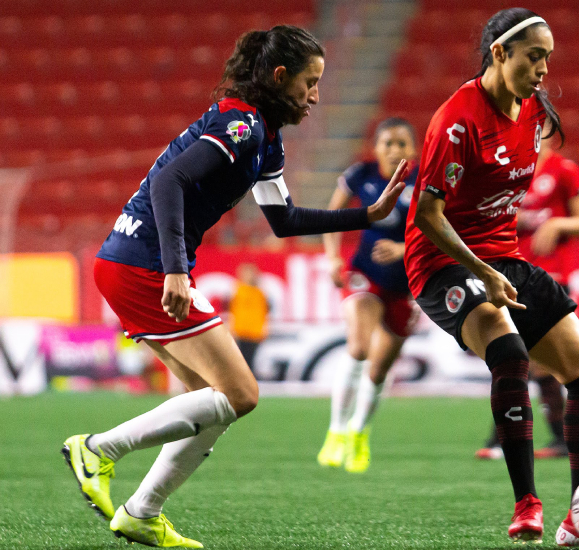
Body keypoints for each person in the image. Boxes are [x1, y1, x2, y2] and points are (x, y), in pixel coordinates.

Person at [62, 25, 408, 548]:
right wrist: (177, 268)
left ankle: (142, 511)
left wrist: (368, 214)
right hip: (146, 264)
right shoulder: (241, 123)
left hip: (130, 260)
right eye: (309, 83)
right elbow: (167, 181)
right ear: (278, 76)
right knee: (242, 394)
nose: (315, 95)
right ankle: (99, 449)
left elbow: (284, 219)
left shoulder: (266, 137)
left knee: (209, 401)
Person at [404, 8, 579, 547]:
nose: (542, 68)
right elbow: (425, 215)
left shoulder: (533, 111)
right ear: (498, 53)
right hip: (443, 267)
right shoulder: (456, 120)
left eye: (547, 58)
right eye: (533, 56)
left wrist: (498, 267)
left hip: (502, 261)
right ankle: (527, 502)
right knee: (510, 353)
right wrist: (483, 272)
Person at [476, 133, 579, 460]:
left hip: (550, 278)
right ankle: (556, 437)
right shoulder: (510, 173)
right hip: (512, 276)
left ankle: (510, 437)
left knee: (533, 362)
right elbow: (487, 219)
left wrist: (555, 225)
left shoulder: (564, 170)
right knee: (518, 358)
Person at [317, 117, 419, 473]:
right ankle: (336, 432)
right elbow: (331, 216)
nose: (394, 150)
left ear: (413, 150)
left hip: (407, 285)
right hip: (365, 276)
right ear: (375, 148)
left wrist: (404, 249)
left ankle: (359, 431)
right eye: (387, 143)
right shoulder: (362, 174)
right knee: (359, 348)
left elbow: (444, 231)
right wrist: (332, 258)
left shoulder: (424, 181)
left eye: (402, 144)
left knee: (379, 370)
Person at [227, 262, 269, 370]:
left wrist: (264, 328)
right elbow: (234, 311)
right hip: (241, 330)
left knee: (250, 360)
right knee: (242, 360)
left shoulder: (259, 293)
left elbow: (262, 313)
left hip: (255, 331)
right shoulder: (238, 290)